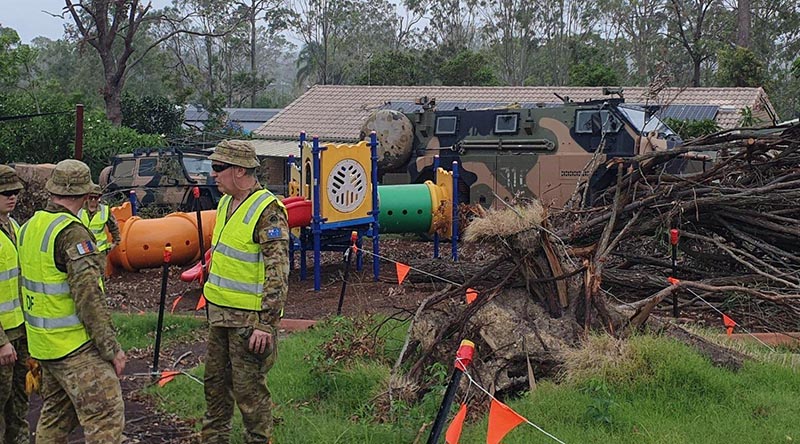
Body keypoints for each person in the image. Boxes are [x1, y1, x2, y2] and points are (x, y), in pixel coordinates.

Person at [18, 159, 126, 443]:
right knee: (105, 417)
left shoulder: (30, 227)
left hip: (45, 346)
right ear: (83, 193)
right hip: (76, 348)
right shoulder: (72, 233)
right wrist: (111, 349)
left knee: (54, 419)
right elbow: (89, 297)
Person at [202, 140, 289, 443]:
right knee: (214, 387)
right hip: (219, 316)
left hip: (249, 323)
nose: (213, 174)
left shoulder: (268, 211)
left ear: (239, 170)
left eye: (218, 168)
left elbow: (277, 273)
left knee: (250, 395)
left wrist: (266, 324)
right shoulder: (226, 202)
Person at [0, 165, 29, 443]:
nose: (12, 197)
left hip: (20, 332)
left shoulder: (15, 227)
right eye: (6, 193)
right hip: (3, 337)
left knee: (19, 405)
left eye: (15, 192)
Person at [78, 184, 121, 267]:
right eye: (91, 197)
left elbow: (113, 227)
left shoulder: (104, 210)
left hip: (99, 250)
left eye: (96, 198)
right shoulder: (79, 209)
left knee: (99, 274)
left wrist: (115, 242)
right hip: (82, 249)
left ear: (99, 198)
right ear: (87, 197)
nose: (93, 200)